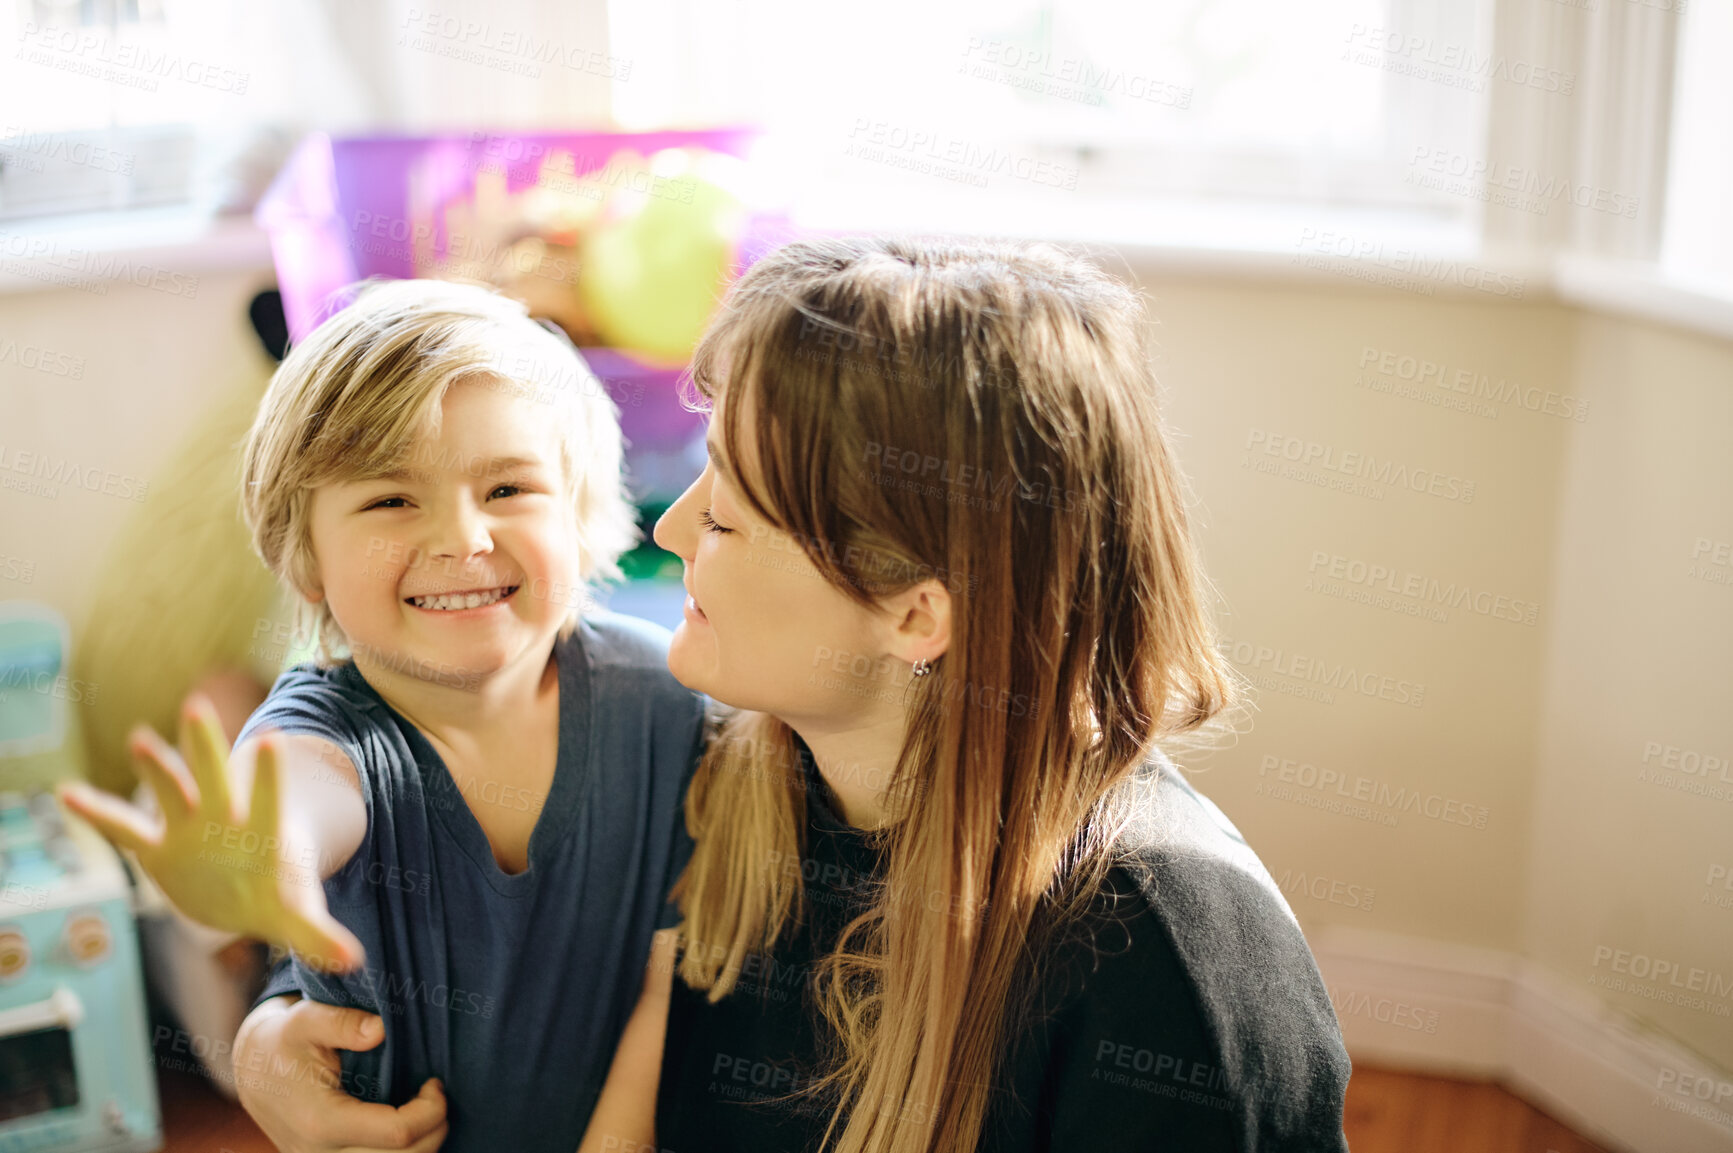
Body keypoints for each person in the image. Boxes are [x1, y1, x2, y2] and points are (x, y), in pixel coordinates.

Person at [587, 236, 1354, 1150]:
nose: (672, 528)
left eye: (725, 517)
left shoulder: (1164, 972)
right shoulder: (725, 792)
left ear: (916, 615)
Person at [60, 278, 708, 1153]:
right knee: (241, 942)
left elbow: (666, 979)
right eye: (391, 500)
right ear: (309, 563)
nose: (462, 538)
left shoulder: (660, 700)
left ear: (583, 513)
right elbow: (296, 792)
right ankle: (225, 945)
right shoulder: (325, 737)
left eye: (509, 488)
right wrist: (257, 857)